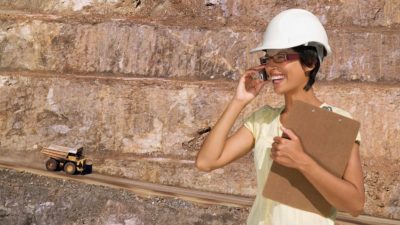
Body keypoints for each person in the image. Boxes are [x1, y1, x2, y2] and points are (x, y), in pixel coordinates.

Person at [195, 8, 365, 225]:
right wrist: (239, 100)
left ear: (310, 62)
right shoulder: (262, 120)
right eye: (268, 59)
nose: (271, 66)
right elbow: (206, 162)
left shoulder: (337, 121)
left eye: (281, 57)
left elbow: (355, 204)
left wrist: (303, 162)